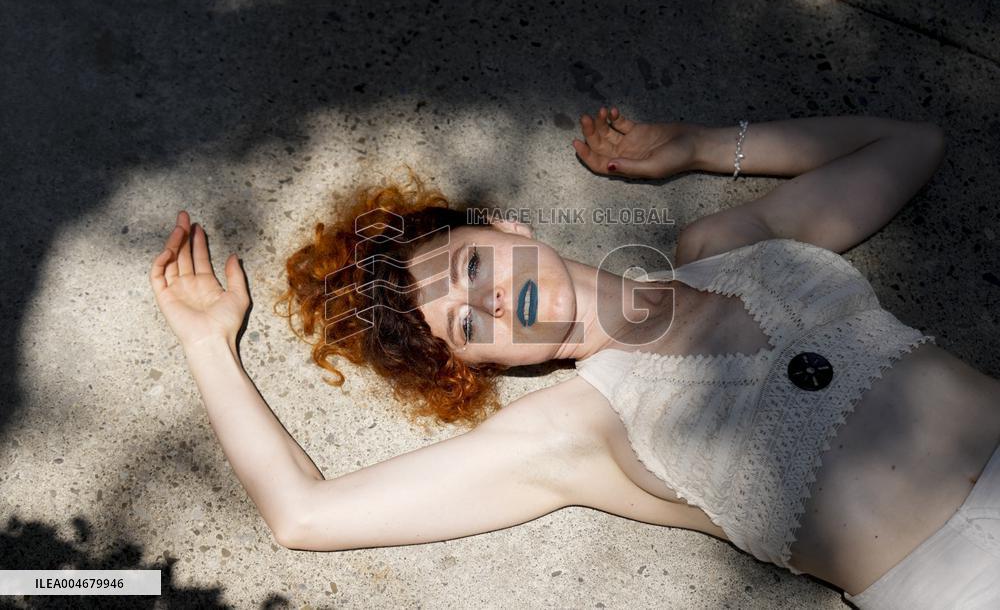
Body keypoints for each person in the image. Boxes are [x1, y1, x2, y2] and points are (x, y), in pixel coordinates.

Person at [148, 107, 1000, 608]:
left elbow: (908, 144)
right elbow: (304, 517)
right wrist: (205, 343)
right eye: (466, 325)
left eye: (470, 266)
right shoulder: (573, 433)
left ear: (508, 226)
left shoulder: (732, 241)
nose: (484, 300)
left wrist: (699, 148)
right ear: (478, 366)